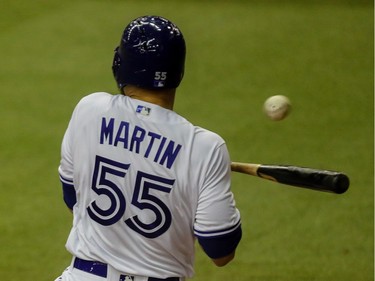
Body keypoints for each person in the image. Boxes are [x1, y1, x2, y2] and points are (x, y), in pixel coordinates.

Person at [55, 15, 242, 281]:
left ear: (120, 65)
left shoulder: (90, 109)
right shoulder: (205, 148)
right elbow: (220, 251)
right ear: (179, 71)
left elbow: (72, 198)